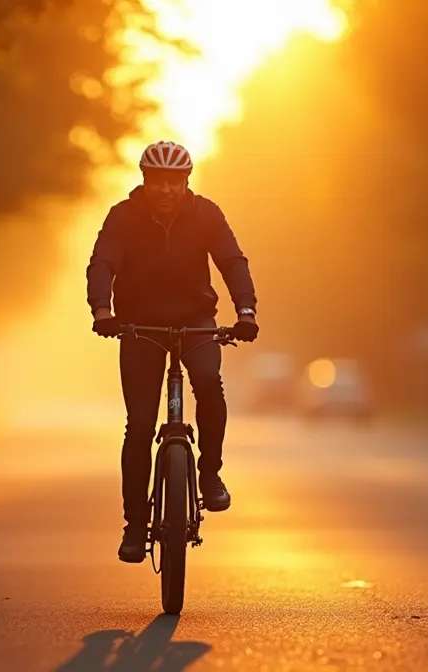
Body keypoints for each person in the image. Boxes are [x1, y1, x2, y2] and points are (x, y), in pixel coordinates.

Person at [85, 139, 259, 563]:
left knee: (208, 384)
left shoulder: (206, 215)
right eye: (158, 181)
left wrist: (246, 310)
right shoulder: (122, 218)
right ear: (145, 181)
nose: (166, 190)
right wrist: (103, 310)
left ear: (186, 182)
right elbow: (102, 263)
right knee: (140, 425)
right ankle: (134, 525)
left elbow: (232, 261)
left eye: (175, 181)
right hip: (138, 325)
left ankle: (210, 475)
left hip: (195, 320)